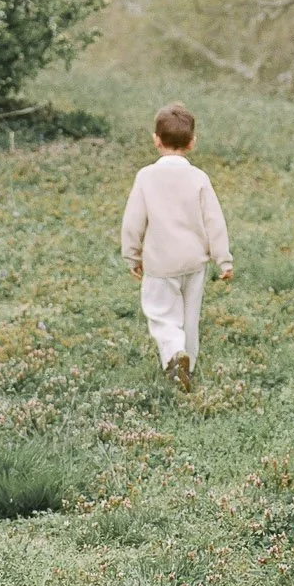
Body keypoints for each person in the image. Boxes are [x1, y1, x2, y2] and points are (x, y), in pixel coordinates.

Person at [120, 102, 233, 392]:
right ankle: (189, 366)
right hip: (194, 261)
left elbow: (134, 220)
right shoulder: (199, 178)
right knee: (189, 316)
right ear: (192, 142)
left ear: (155, 139)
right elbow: (214, 221)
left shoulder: (146, 176)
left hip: (160, 262)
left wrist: (132, 254)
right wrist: (223, 259)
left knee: (161, 313)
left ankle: (173, 354)